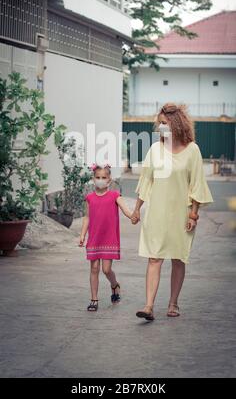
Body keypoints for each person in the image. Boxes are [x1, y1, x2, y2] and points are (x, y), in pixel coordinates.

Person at [131, 102, 214, 321]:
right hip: (156, 212)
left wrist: (194, 214)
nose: (160, 128)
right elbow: (145, 181)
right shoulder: (155, 150)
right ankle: (148, 306)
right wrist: (137, 209)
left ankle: (173, 303)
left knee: (178, 259)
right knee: (154, 258)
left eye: (164, 123)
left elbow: (196, 184)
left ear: (176, 125)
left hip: (181, 214)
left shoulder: (192, 150)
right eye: (159, 124)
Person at [78, 163, 132, 311]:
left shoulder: (115, 195)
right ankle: (94, 299)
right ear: (93, 179)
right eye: (97, 177)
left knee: (106, 269)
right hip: (94, 238)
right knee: (94, 268)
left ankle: (114, 285)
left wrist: (133, 216)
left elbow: (125, 208)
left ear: (109, 180)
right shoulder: (89, 198)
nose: (100, 180)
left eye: (104, 177)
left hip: (109, 238)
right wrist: (82, 235)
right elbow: (87, 218)